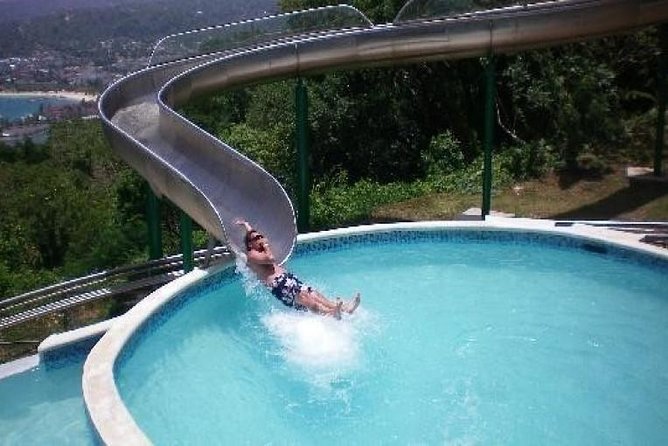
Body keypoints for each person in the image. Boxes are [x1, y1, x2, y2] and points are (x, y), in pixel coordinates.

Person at [235, 219, 360, 319]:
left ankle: (344, 309)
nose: (260, 239)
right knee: (305, 298)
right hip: (278, 285)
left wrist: (246, 225)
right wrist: (265, 244)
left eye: (261, 237)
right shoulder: (251, 254)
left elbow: (252, 235)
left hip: (287, 279)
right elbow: (271, 258)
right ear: (250, 244)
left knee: (313, 293)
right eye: (257, 239)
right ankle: (331, 313)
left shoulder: (256, 247)